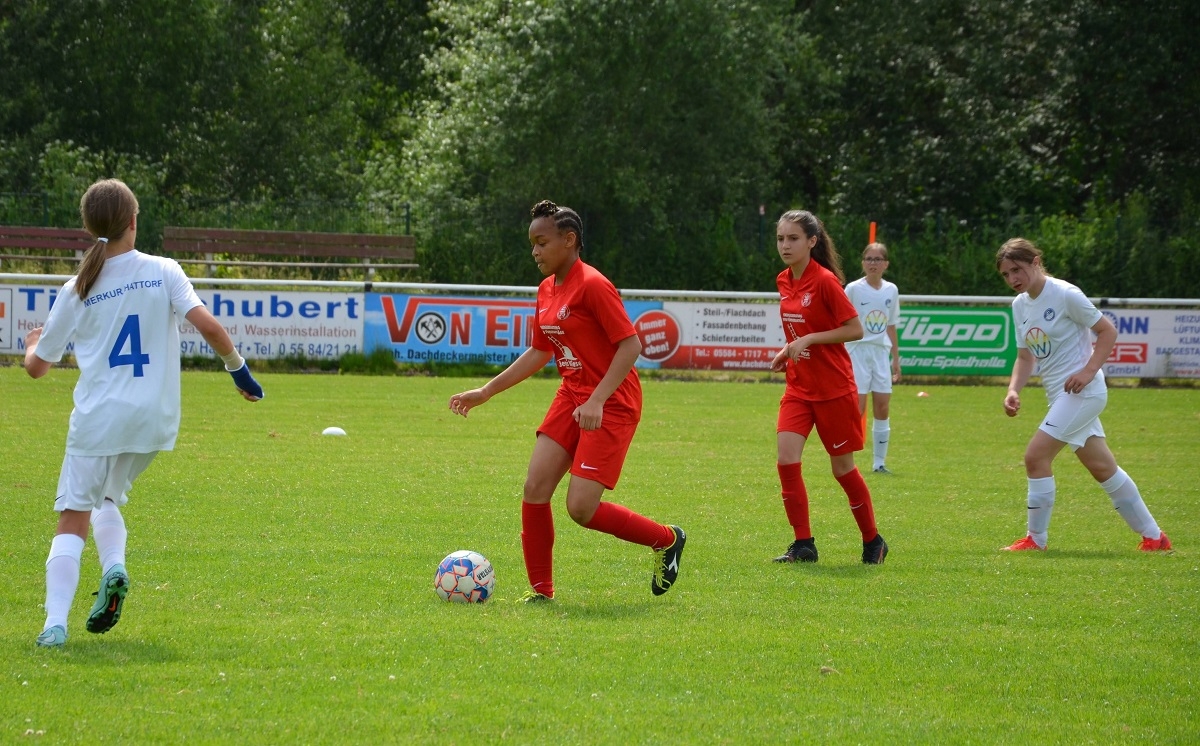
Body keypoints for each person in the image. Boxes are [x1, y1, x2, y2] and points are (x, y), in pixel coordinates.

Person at [25, 179, 264, 648]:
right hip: (154, 420)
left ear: (89, 226)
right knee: (106, 500)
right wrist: (239, 371)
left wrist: (32, 344)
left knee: (72, 516)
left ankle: (54, 625)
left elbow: (37, 368)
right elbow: (210, 328)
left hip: (98, 420)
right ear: (133, 222)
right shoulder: (163, 269)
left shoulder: (76, 288)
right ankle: (114, 567)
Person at [448, 200, 685, 601]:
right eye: (532, 244)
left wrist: (597, 400)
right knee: (535, 487)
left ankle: (667, 539)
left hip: (611, 402)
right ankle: (542, 592)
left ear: (569, 240)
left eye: (542, 243)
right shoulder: (546, 289)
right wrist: (486, 391)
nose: (535, 251)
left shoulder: (593, 285)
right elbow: (539, 351)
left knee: (581, 508)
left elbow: (630, 346)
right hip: (572, 396)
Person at [996, 238, 1170, 552]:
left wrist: (1088, 371)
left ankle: (1036, 539)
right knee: (1103, 468)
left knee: (1035, 456)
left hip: (1083, 393)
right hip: (1060, 397)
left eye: (1017, 269)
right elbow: (1024, 356)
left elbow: (1108, 331)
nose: (1012, 279)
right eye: (1006, 274)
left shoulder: (1065, 294)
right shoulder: (1019, 305)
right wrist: (1013, 390)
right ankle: (1155, 538)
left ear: (1035, 262)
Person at [770, 210, 888, 565]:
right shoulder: (783, 279)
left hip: (834, 389)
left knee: (843, 470)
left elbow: (855, 329)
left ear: (812, 241)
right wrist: (789, 349)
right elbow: (801, 329)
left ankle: (873, 541)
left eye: (793, 238)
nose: (785, 245)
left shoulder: (825, 281)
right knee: (786, 460)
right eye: (781, 238)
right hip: (798, 388)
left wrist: (809, 339)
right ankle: (803, 544)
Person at [844, 242, 902, 474]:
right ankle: (846, 461)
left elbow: (891, 325)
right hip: (857, 351)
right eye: (869, 259)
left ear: (886, 264)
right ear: (863, 263)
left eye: (878, 259)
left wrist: (895, 359)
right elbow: (841, 320)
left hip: (880, 354)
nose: (873, 263)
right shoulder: (853, 289)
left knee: (882, 406)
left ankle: (879, 463)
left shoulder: (891, 290)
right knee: (855, 409)